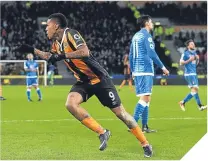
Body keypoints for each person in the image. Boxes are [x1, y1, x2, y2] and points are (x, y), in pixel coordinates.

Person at [17, 13, 153, 157]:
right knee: (70, 104)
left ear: (56, 26)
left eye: (48, 26)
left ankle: (145, 144)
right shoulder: (56, 44)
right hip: (84, 81)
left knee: (122, 114)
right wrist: (32, 50)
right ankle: (102, 132)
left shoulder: (71, 34)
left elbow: (84, 52)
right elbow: (50, 57)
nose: (46, 29)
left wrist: (62, 56)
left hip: (99, 79)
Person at [129, 15, 169, 133]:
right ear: (147, 23)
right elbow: (152, 53)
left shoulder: (136, 36)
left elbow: (131, 54)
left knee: (147, 98)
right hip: (145, 69)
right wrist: (163, 67)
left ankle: (145, 126)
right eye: (151, 22)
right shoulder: (147, 36)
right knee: (145, 97)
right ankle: (132, 124)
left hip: (137, 70)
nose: (152, 24)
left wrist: (132, 71)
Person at [179, 39, 207, 111]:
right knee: (195, 89)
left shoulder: (194, 53)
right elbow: (181, 63)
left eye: (193, 44)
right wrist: (189, 60)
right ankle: (199, 106)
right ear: (188, 46)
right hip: (189, 74)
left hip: (194, 73)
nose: (193, 45)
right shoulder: (185, 53)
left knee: (194, 91)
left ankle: (183, 102)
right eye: (191, 44)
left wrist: (197, 59)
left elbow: (195, 64)